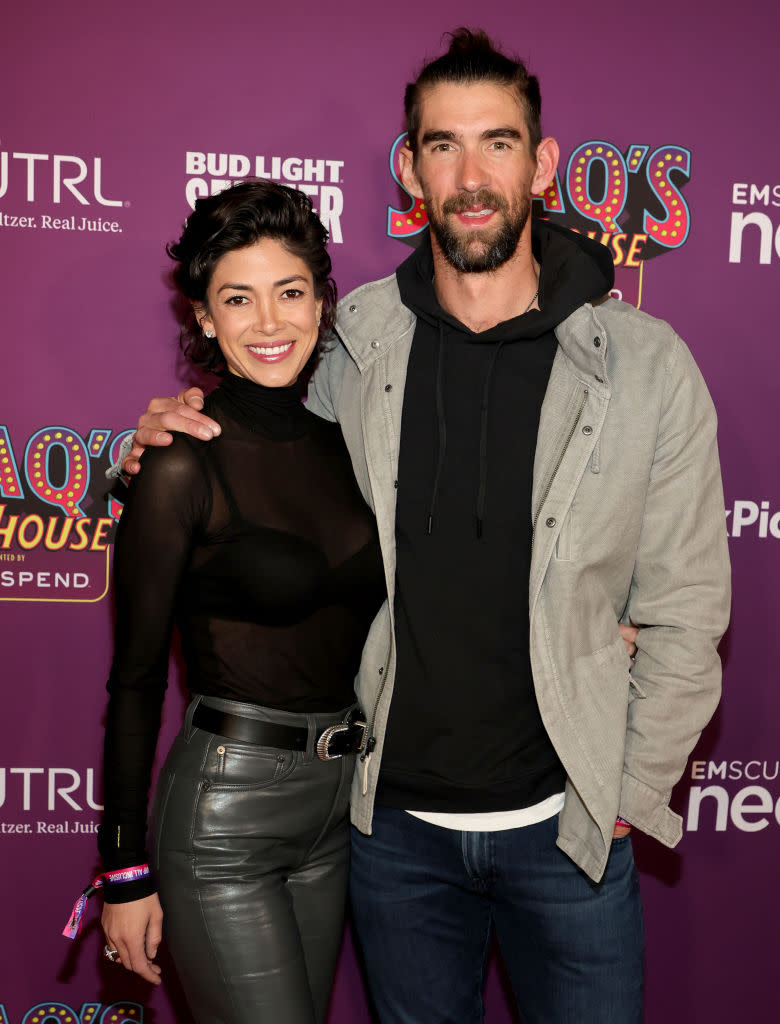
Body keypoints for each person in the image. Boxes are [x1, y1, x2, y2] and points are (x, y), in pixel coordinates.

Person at [119, 29, 730, 1024]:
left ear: (544, 161)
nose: (474, 174)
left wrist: (628, 788)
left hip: (567, 833)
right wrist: (140, 450)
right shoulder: (351, 340)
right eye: (444, 145)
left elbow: (689, 601)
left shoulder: (647, 364)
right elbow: (241, 444)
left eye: (499, 142)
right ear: (410, 167)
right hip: (391, 836)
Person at [93, 180, 385, 1024]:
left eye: (290, 292)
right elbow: (136, 680)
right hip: (224, 818)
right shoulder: (181, 461)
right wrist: (122, 866)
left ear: (323, 304)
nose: (269, 322)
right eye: (238, 298)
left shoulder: (348, 453)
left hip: (337, 813)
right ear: (204, 319)